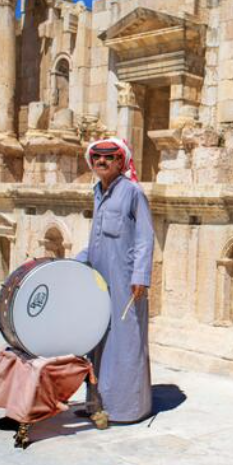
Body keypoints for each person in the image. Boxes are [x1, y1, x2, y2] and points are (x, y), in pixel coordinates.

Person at [76, 136, 155, 424]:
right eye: (97, 157)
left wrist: (140, 276)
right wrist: (73, 264)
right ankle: (99, 402)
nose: (102, 161)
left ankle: (128, 408)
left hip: (125, 281)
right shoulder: (98, 192)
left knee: (126, 341)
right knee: (99, 338)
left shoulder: (132, 192)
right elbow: (96, 240)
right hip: (100, 280)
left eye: (109, 157)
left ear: (120, 162)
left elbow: (146, 237)